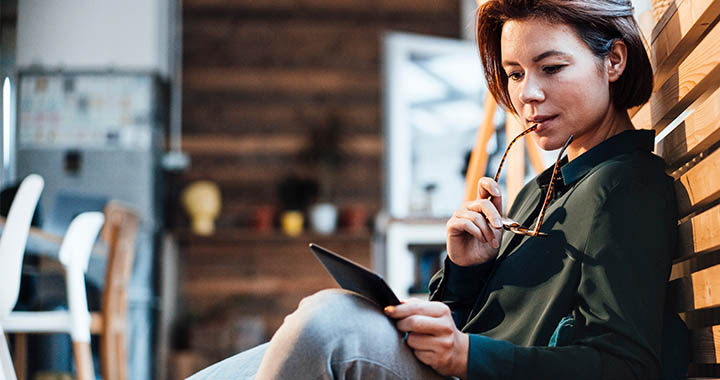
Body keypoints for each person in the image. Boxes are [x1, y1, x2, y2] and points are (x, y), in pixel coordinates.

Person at [188, 0, 687, 379]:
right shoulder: (546, 186)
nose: (527, 95)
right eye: (514, 74)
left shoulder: (625, 186)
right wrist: (468, 271)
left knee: (329, 323)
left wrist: (469, 355)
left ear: (614, 60)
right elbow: (480, 323)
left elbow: (627, 364)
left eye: (551, 68)